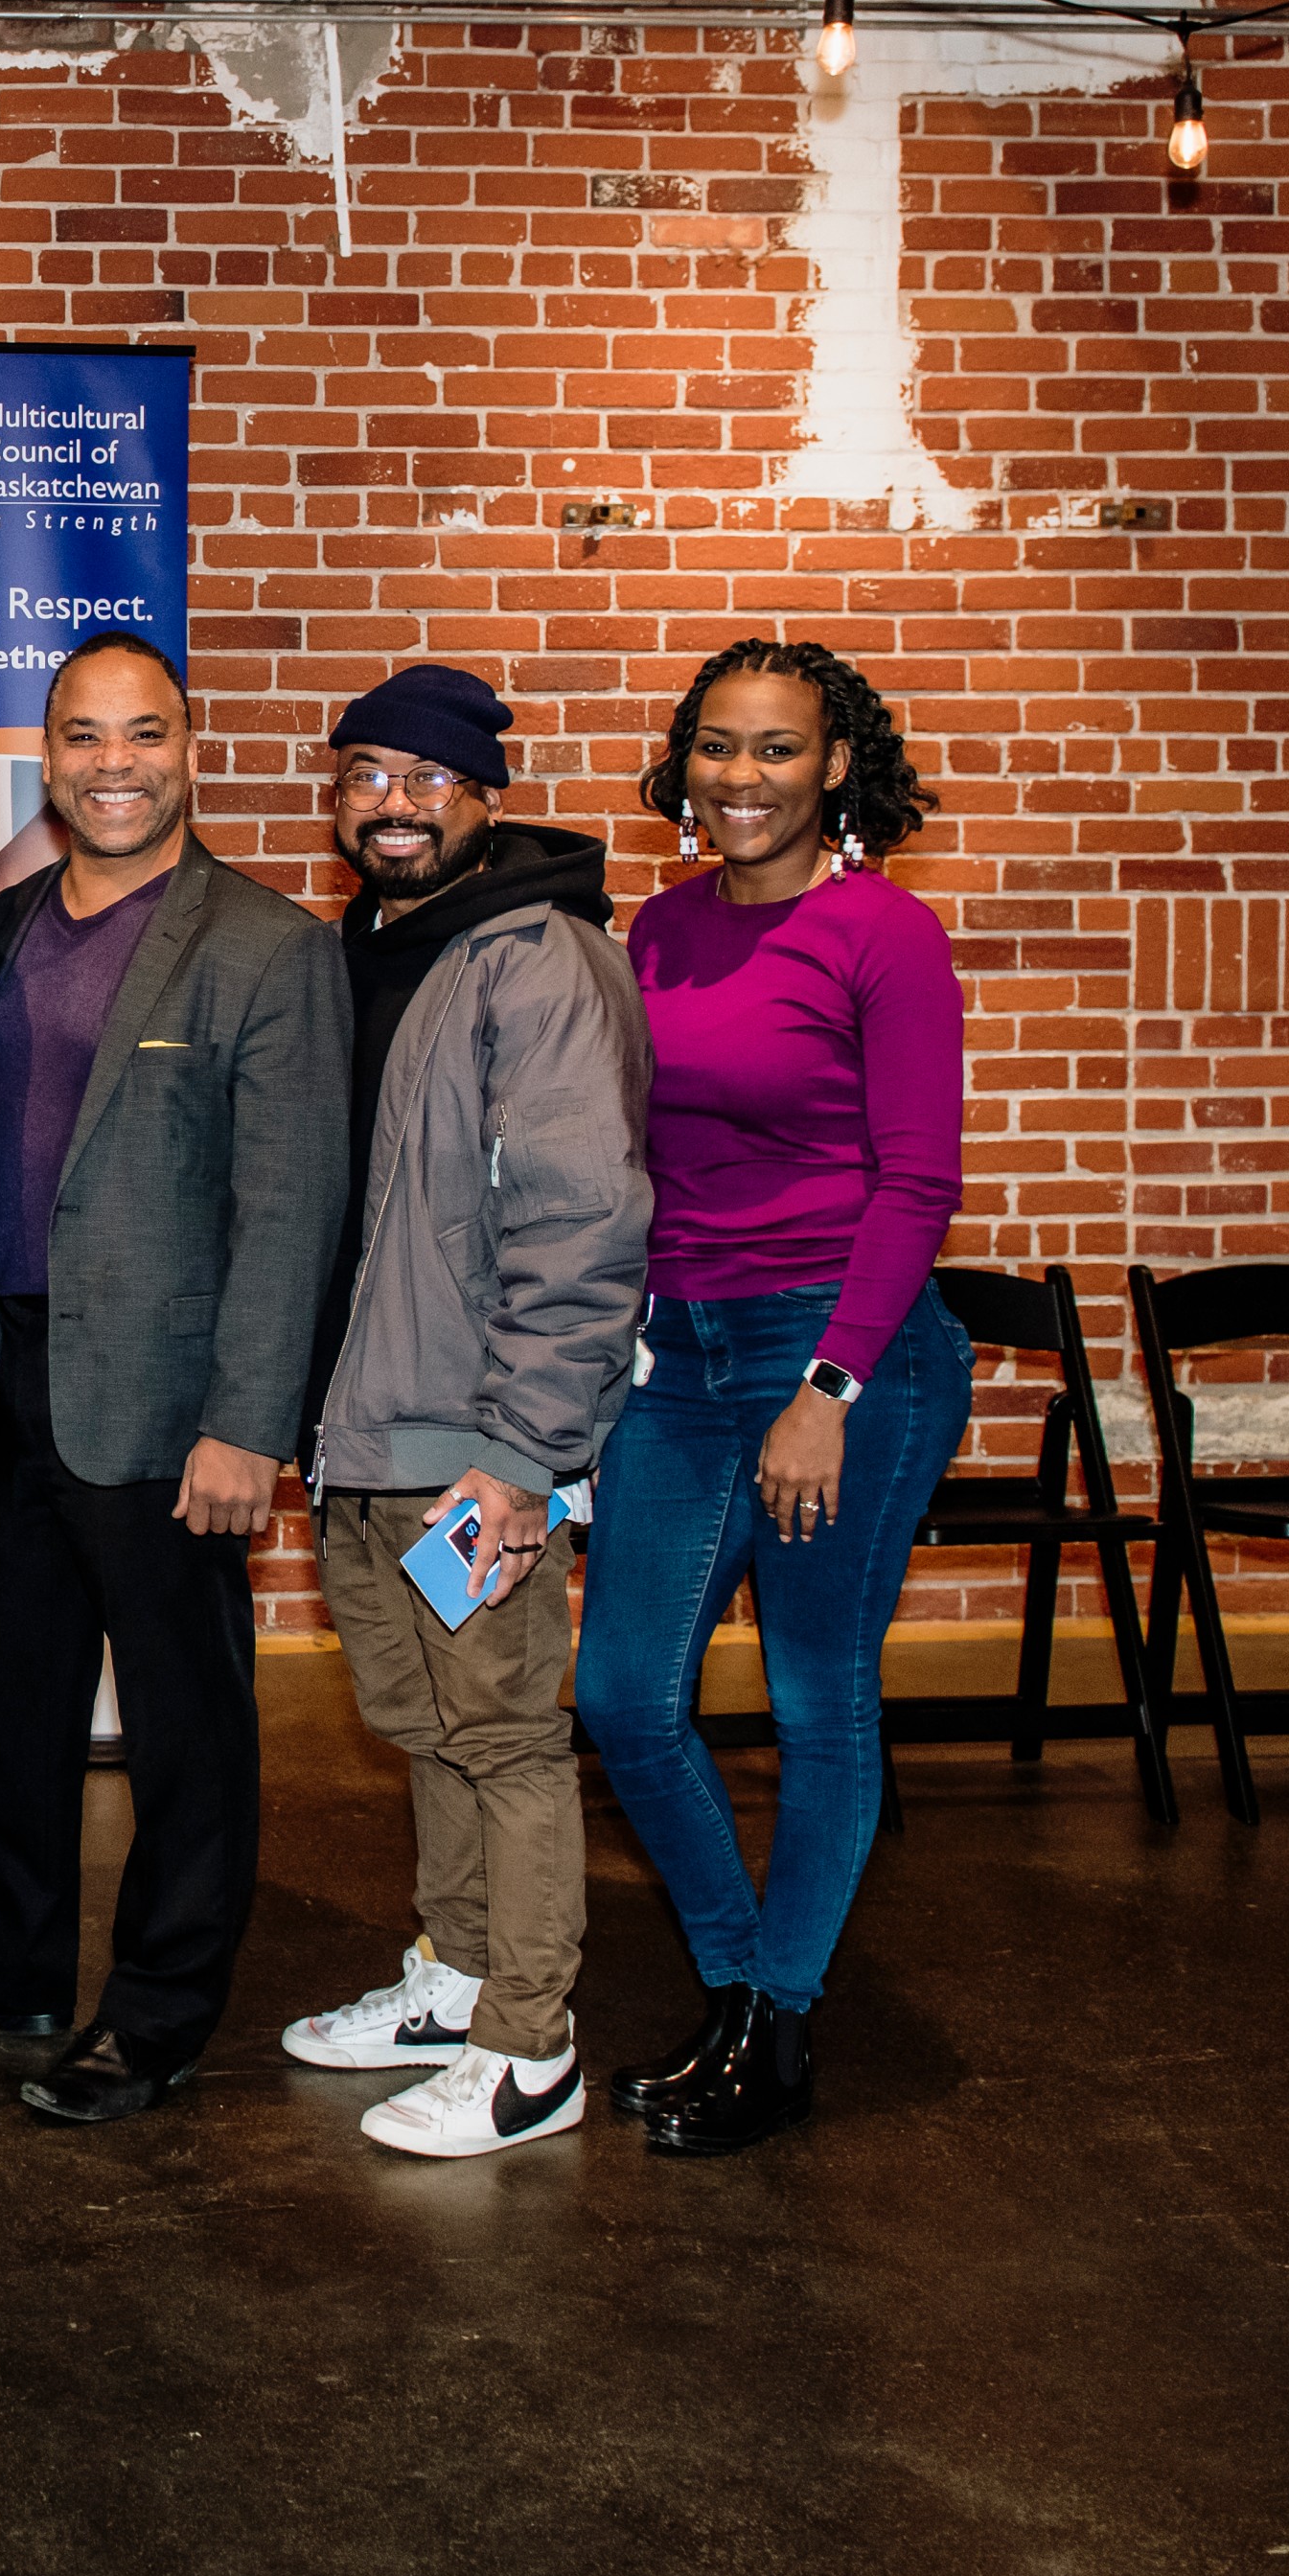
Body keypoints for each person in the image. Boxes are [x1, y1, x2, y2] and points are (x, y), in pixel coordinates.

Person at [0, 629, 349, 2128]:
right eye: (83, 736)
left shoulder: (267, 944)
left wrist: (248, 1422)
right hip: (5, 1376)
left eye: (143, 734)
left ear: (189, 748)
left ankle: (162, 2008)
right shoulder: (2, 930)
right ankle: (9, 1963)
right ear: (44, 759)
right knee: (10, 1701)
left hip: (172, 1400)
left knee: (184, 1721)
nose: (113, 763)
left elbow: (292, 1202)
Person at [574, 641, 967, 2158]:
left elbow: (917, 1178)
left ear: (834, 768)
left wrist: (829, 1384)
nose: (741, 777)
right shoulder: (654, 929)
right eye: (716, 747)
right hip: (682, 1353)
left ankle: (778, 2019)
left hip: (841, 1350)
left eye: (776, 750)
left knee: (815, 1695)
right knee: (621, 1692)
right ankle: (746, 1983)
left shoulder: (882, 933)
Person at [272, 665, 651, 2159]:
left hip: (473, 1436)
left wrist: (522, 1455)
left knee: (499, 1733)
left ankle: (527, 2043)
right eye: (364, 773)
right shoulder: (363, 947)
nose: (392, 802)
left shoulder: (536, 956)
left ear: (483, 796)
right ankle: (453, 1974)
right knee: (423, 1723)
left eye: (424, 778)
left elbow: (583, 1221)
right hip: (367, 1422)